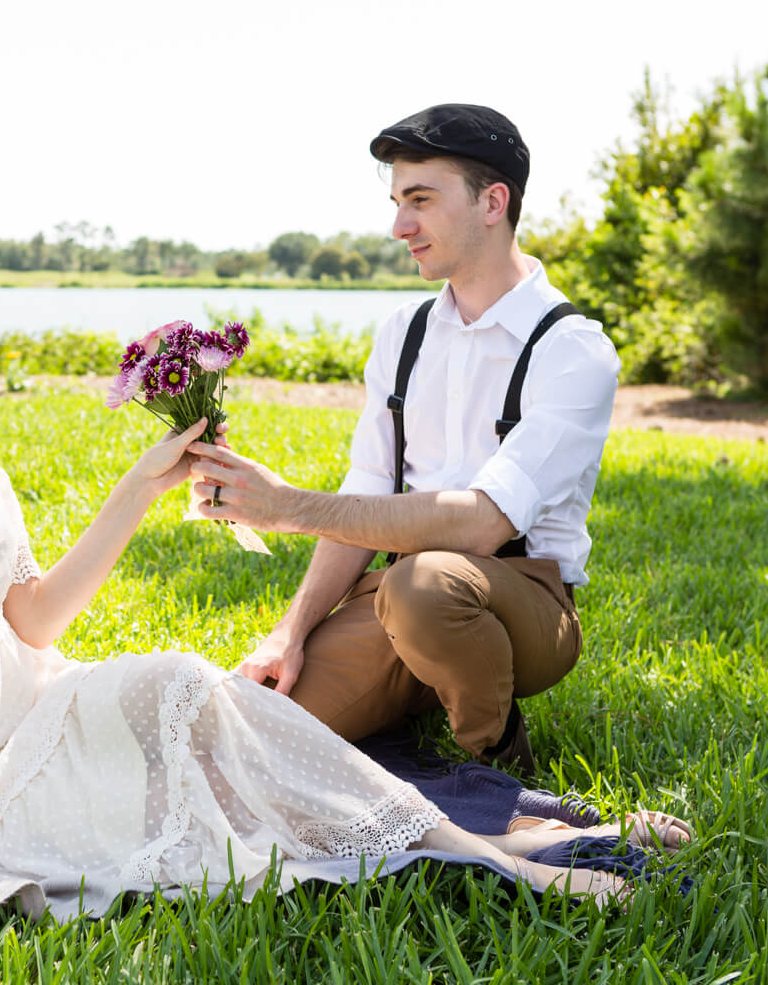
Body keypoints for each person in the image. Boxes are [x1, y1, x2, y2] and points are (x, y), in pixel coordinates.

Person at [0, 212, 684, 910]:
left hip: (35, 704)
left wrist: (142, 487)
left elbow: (35, 622)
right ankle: (497, 856)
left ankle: (501, 844)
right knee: (211, 790)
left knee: (195, 694)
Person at [189, 105, 620, 775]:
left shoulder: (573, 351)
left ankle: (499, 761)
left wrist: (285, 507)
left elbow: (481, 525)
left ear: (492, 201)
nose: (399, 227)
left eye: (420, 200)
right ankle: (425, 687)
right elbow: (366, 494)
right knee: (245, 744)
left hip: (524, 603)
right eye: (396, 202)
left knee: (426, 585)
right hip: (393, 602)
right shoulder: (403, 333)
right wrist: (290, 633)